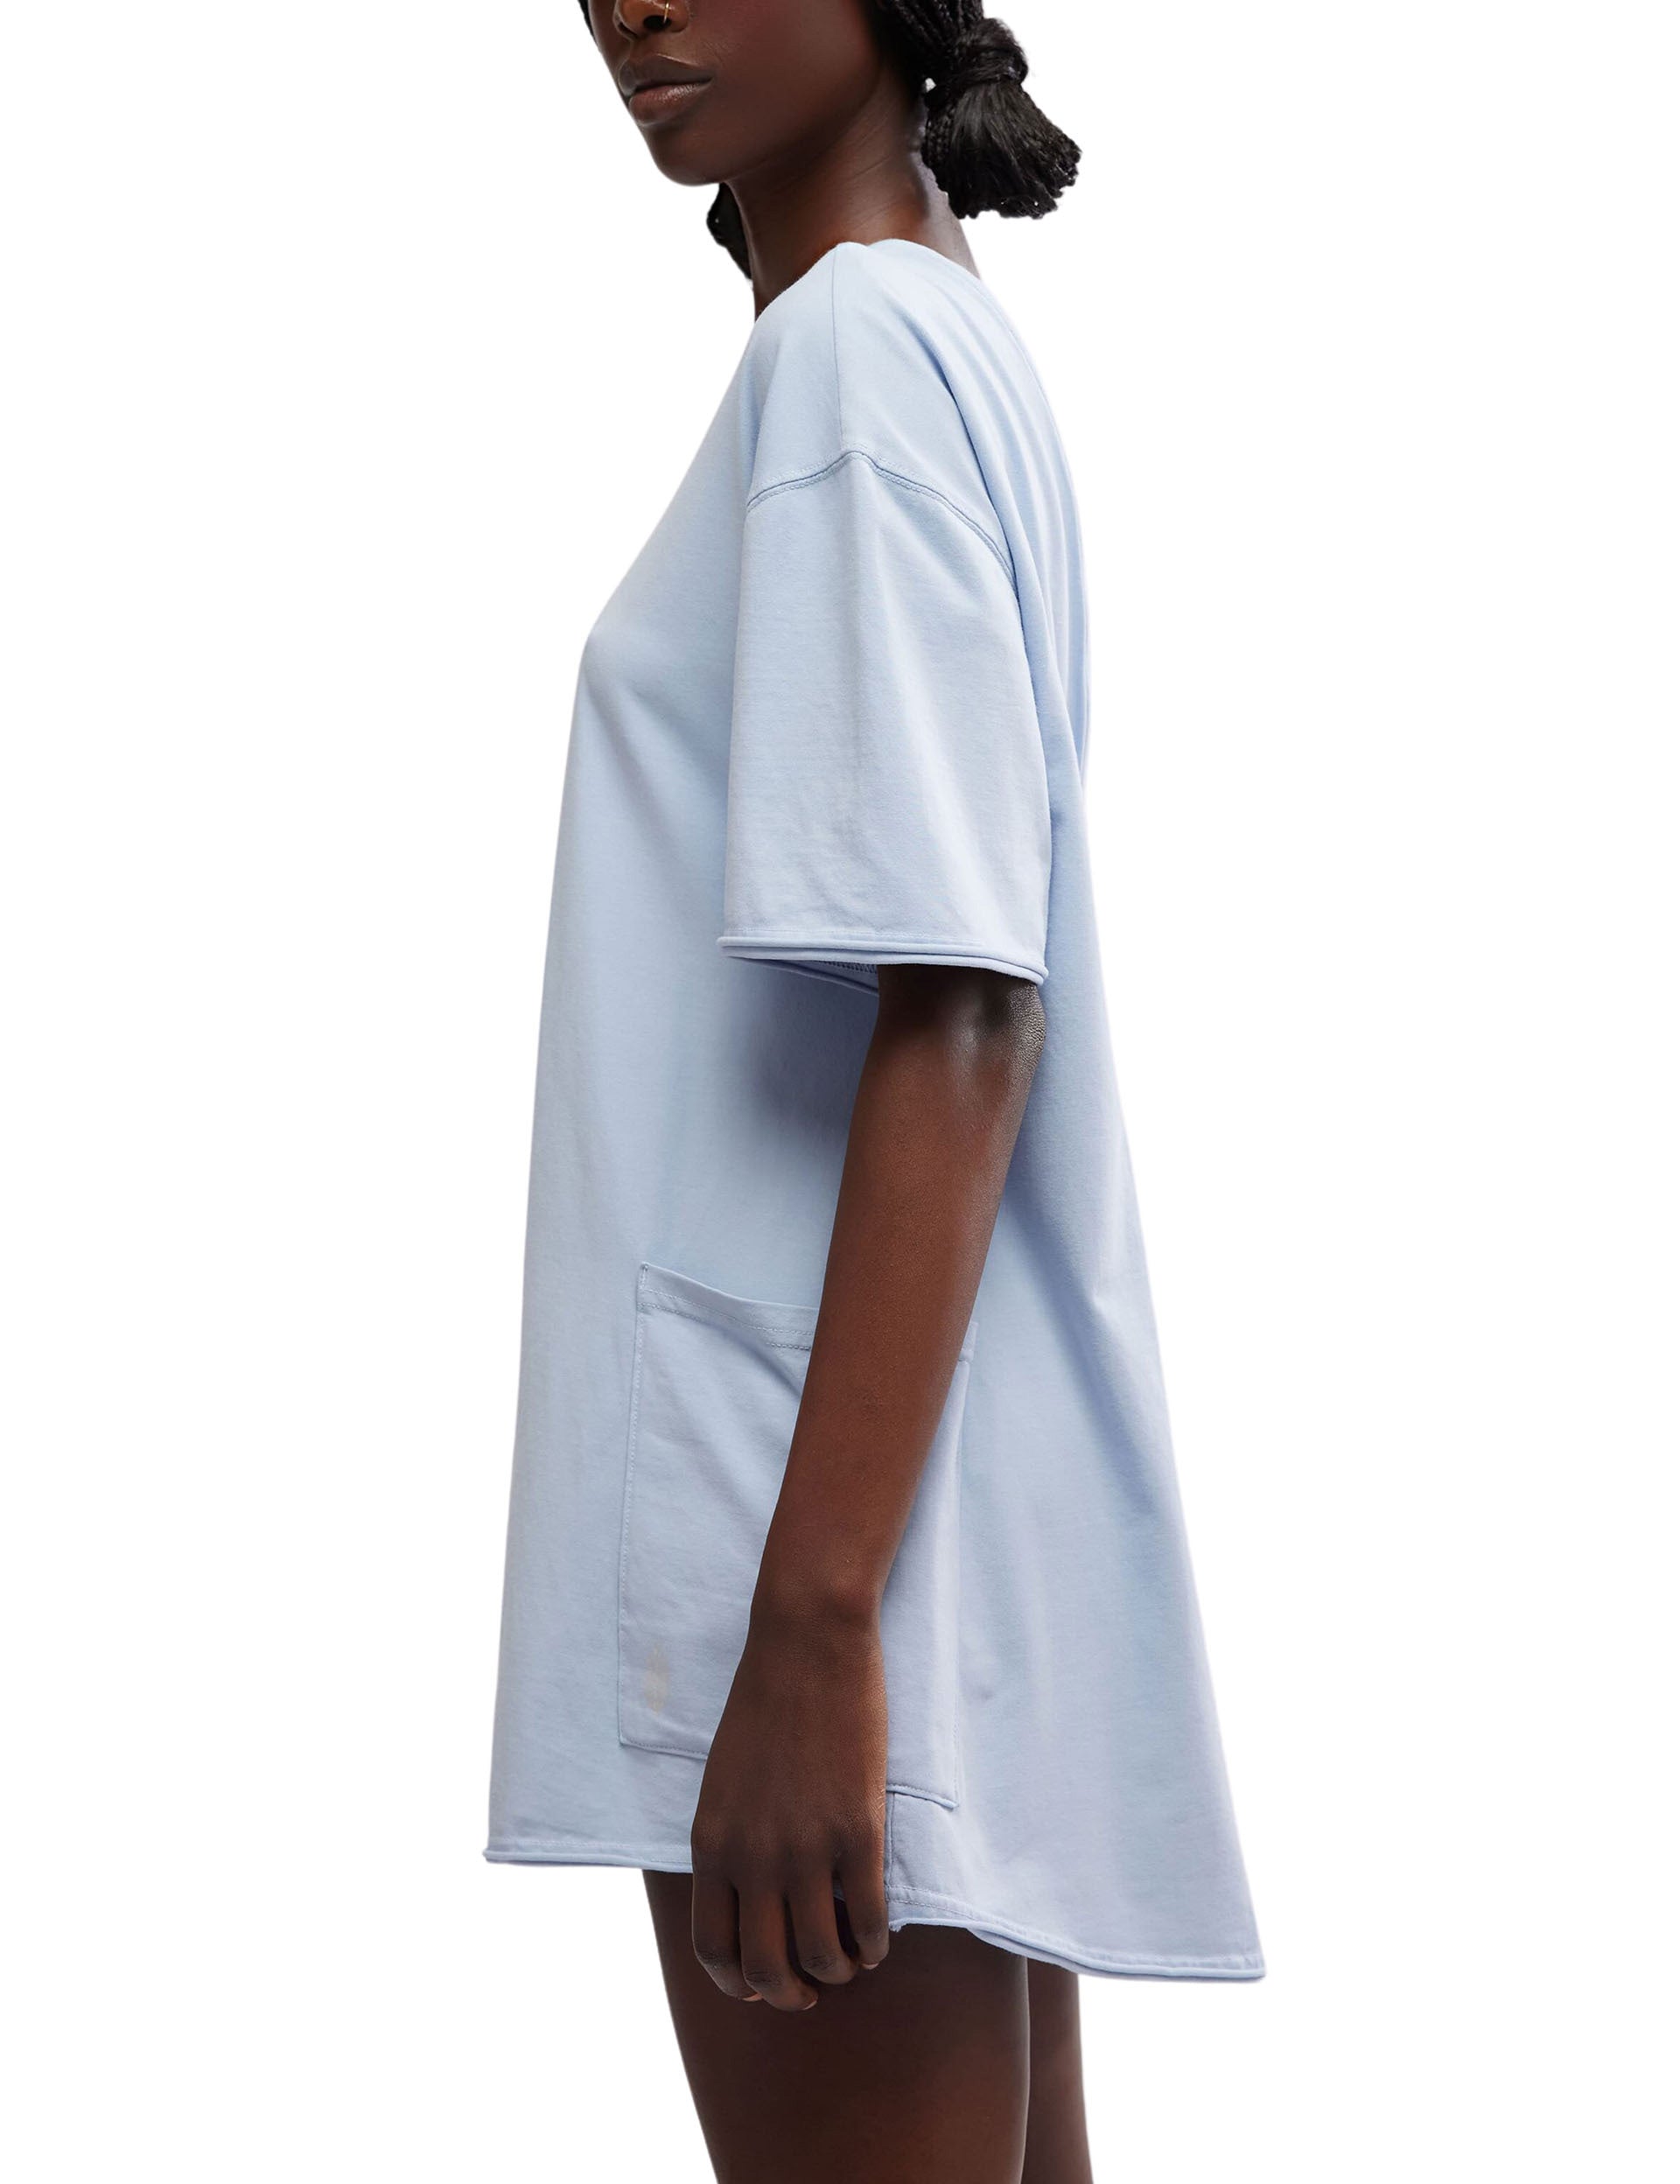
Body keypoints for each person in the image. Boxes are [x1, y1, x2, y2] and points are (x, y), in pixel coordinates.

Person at [486, 3, 1264, 2175]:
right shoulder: (933, 336)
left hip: (806, 1529)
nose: (632, 1)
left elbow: (961, 1001)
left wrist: (813, 1626)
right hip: (902, 1519)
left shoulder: (851, 359)